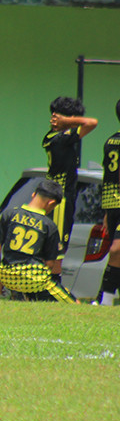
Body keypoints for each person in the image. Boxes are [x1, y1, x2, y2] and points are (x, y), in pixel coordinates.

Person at [0, 179, 77, 303]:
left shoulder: (9, 214)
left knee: (21, 284)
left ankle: (21, 295)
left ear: (33, 195)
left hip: (7, 276)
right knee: (74, 304)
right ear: (51, 203)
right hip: (33, 278)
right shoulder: (49, 225)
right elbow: (50, 264)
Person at [42, 96, 97, 257]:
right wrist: (67, 120)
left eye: (58, 114)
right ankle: (53, 281)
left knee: (52, 247)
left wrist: (69, 121)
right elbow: (92, 122)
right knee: (57, 249)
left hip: (56, 194)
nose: (54, 117)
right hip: (61, 198)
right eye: (53, 113)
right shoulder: (62, 138)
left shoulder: (54, 136)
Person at [96, 98, 120, 305]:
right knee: (116, 250)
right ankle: (105, 298)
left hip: (111, 203)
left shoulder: (110, 140)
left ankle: (105, 298)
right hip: (116, 204)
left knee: (117, 251)